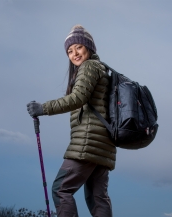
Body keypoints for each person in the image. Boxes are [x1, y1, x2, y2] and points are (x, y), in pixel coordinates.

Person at [27, 25, 116, 217]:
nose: (74, 53)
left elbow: (77, 98)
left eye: (78, 47)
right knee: (97, 197)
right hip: (103, 146)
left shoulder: (89, 67)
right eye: (69, 50)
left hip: (88, 142)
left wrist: (43, 108)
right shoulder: (101, 69)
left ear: (89, 48)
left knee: (61, 188)